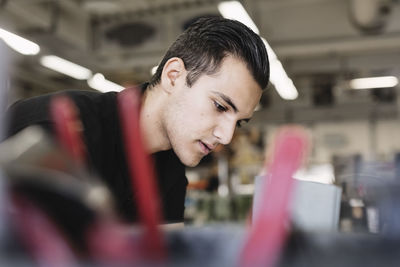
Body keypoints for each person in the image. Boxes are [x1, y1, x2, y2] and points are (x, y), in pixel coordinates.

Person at [5, 17, 270, 223]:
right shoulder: (50, 129)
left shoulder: (171, 171)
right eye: (220, 106)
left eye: (239, 122)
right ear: (174, 75)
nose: (226, 136)